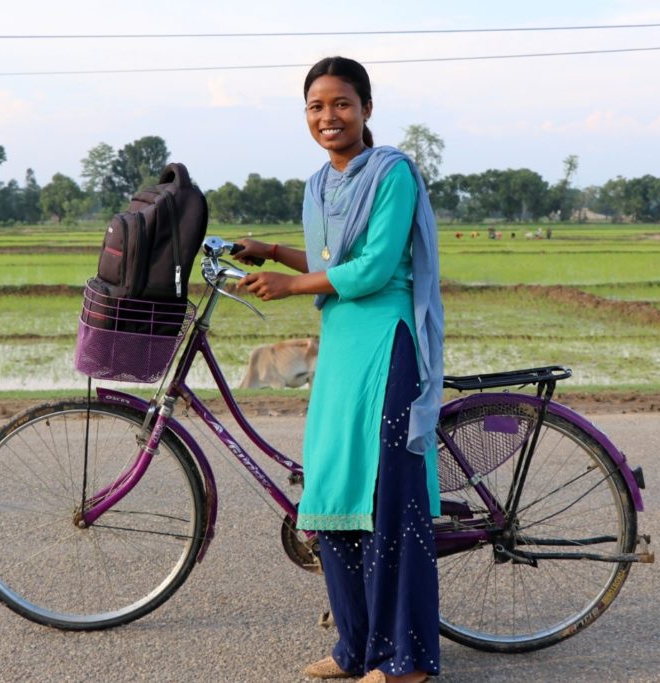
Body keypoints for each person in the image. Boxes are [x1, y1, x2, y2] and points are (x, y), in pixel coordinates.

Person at [233, 56, 444, 683]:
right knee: (332, 492)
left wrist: (291, 281)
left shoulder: (392, 174)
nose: (330, 117)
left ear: (368, 110)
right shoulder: (318, 185)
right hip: (341, 349)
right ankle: (356, 649)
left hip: (387, 341)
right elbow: (332, 259)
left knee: (386, 498)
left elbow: (374, 268)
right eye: (316, 107)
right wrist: (271, 250)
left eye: (342, 104)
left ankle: (406, 660)